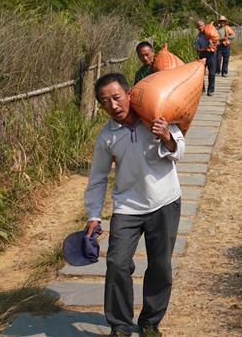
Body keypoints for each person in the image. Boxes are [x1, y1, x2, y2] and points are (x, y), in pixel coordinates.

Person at [83, 73, 185, 337]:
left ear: (129, 95)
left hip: (164, 201)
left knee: (160, 265)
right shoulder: (106, 137)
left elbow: (180, 150)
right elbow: (97, 179)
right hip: (127, 207)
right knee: (116, 263)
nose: (113, 106)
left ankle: (150, 322)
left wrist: (166, 136)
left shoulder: (155, 114)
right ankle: (120, 324)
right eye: (105, 102)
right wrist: (93, 216)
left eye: (116, 98)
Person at [193, 19, 219, 96]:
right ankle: (202, 88)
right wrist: (205, 48)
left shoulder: (211, 32)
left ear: (204, 25)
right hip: (202, 55)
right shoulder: (198, 37)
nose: (200, 28)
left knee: (212, 73)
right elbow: (197, 48)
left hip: (211, 54)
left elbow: (217, 42)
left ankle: (210, 90)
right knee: (201, 73)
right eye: (198, 26)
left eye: (201, 26)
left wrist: (214, 44)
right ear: (197, 28)